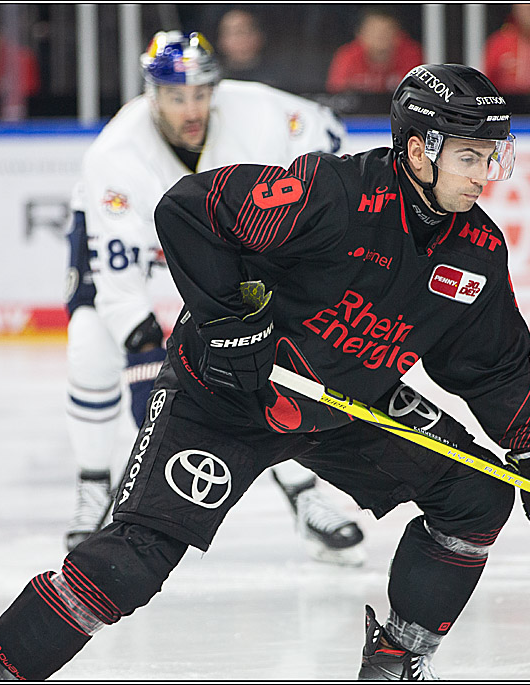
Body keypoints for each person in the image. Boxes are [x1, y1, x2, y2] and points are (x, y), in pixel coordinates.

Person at [0, 63, 530, 681]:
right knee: (134, 559)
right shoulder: (332, 195)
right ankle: (0, 672)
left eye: (493, 154)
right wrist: (229, 323)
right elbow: (191, 209)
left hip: (346, 406)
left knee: (475, 496)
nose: (488, 175)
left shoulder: (478, 252)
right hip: (222, 396)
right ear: (419, 152)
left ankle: (396, 661)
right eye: (471, 156)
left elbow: (492, 370)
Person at [62, 30, 365, 568]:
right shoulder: (114, 155)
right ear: (152, 94)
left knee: (267, 354)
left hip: (217, 243)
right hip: (136, 253)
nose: (191, 107)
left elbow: (329, 136)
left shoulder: (259, 110)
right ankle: (93, 487)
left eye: (201, 92)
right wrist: (146, 355)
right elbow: (121, 285)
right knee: (90, 341)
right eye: (177, 96)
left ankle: (303, 492)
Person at [326, 7, 423, 94]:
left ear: (398, 33)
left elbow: (421, 95)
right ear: (360, 34)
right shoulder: (347, 56)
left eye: (387, 31)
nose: (380, 36)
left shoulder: (412, 55)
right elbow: (336, 95)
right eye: (374, 31)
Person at [214, 8, 284, 89]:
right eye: (230, 32)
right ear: (221, 41)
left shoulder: (279, 77)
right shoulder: (212, 77)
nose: (237, 39)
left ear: (258, 36)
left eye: (241, 32)